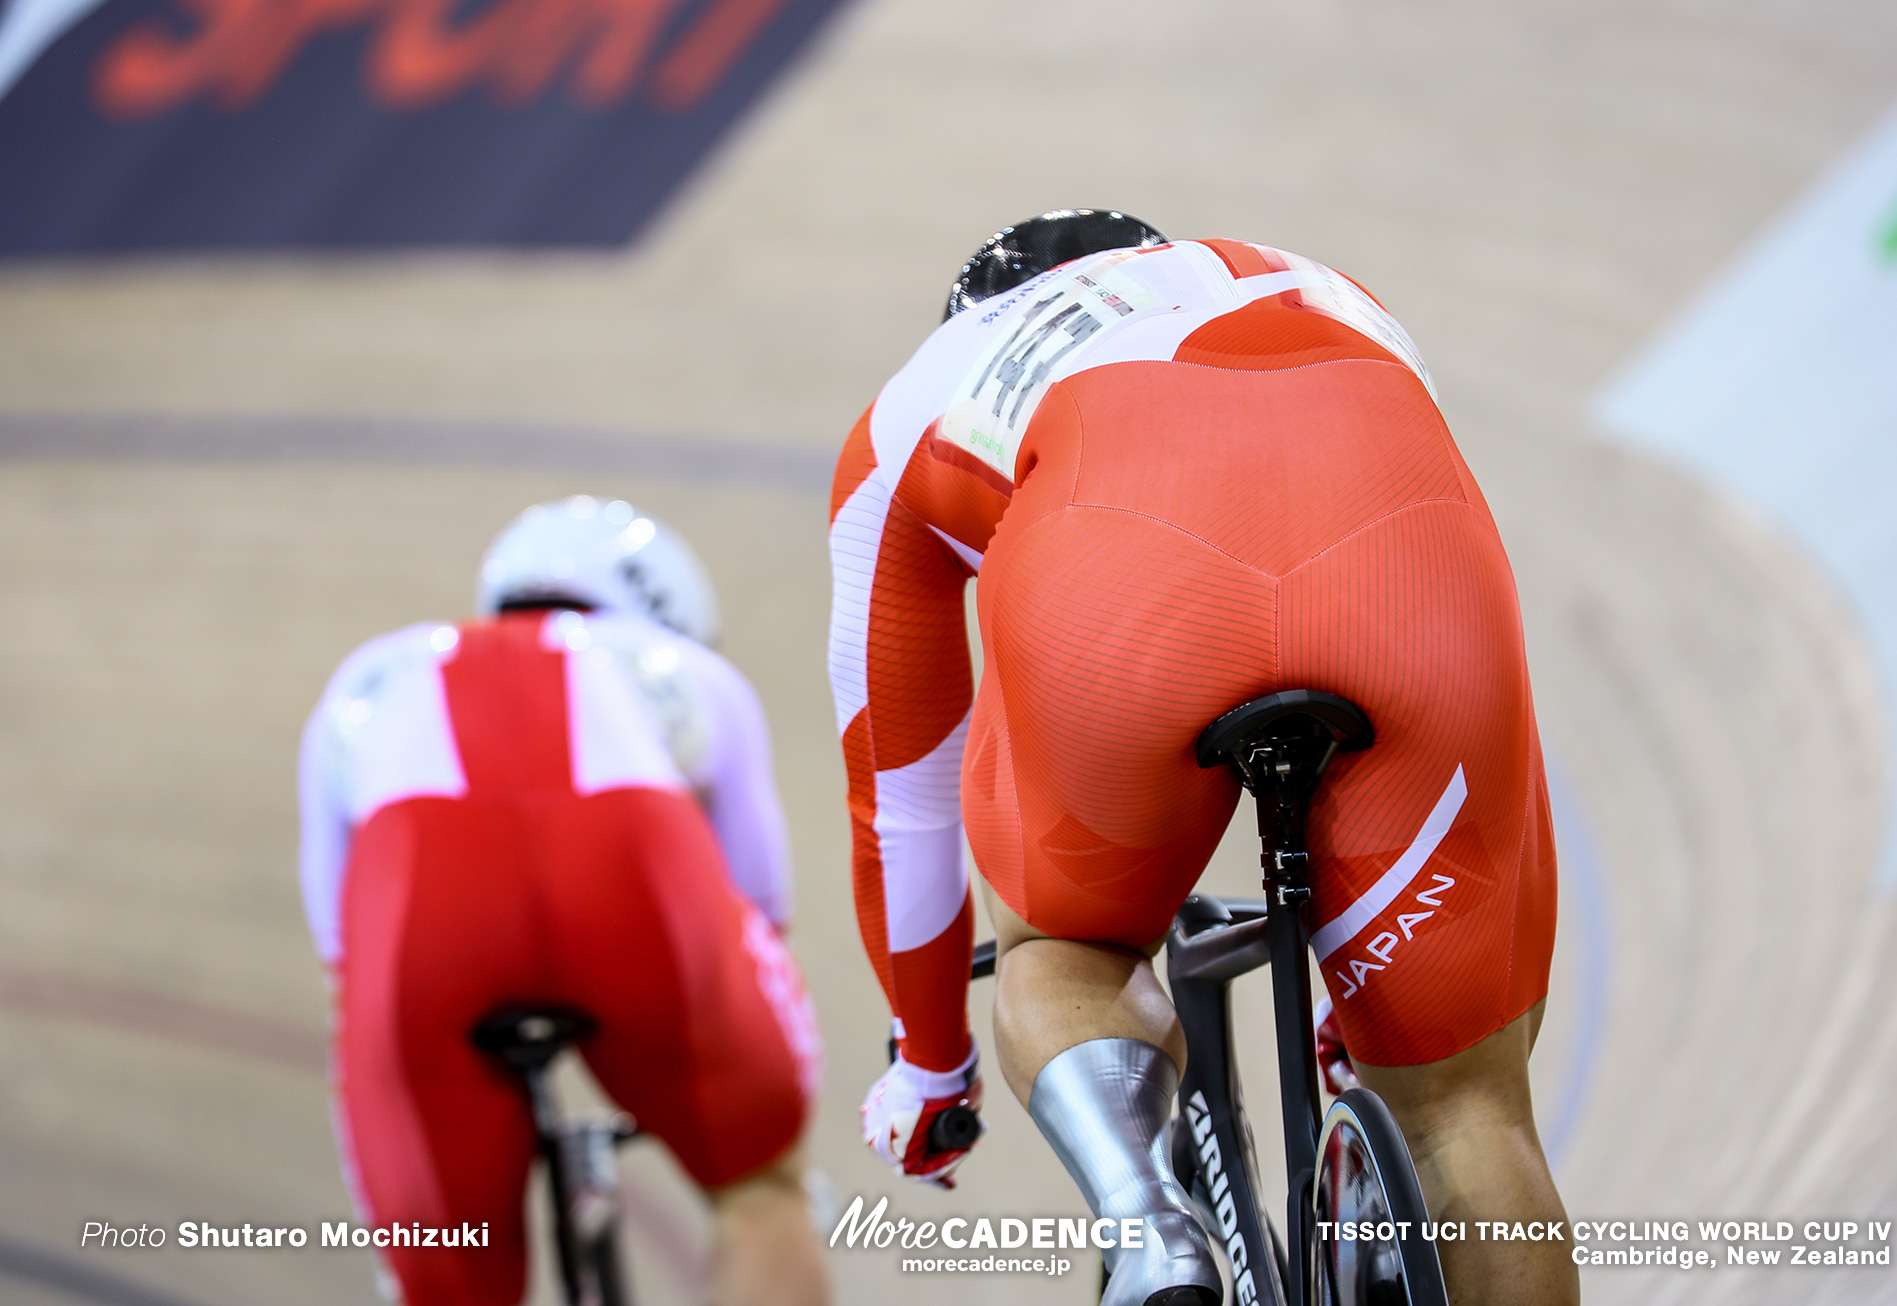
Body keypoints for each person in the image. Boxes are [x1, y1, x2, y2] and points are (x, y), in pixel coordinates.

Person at [828, 210, 1576, 1306]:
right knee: (1467, 1102)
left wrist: (929, 1061)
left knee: (1065, 952)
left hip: (1127, 590)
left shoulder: (918, 397)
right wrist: (1408, 984)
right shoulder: (1314, 277)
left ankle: (1148, 1218)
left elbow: (897, 798)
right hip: (1403, 572)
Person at [300, 496, 826, 1306]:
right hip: (629, 887)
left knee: (441, 1268)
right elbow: (760, 903)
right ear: (668, 613)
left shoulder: (368, 677)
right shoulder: (684, 673)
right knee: (761, 1180)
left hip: (424, 924)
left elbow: (338, 937)